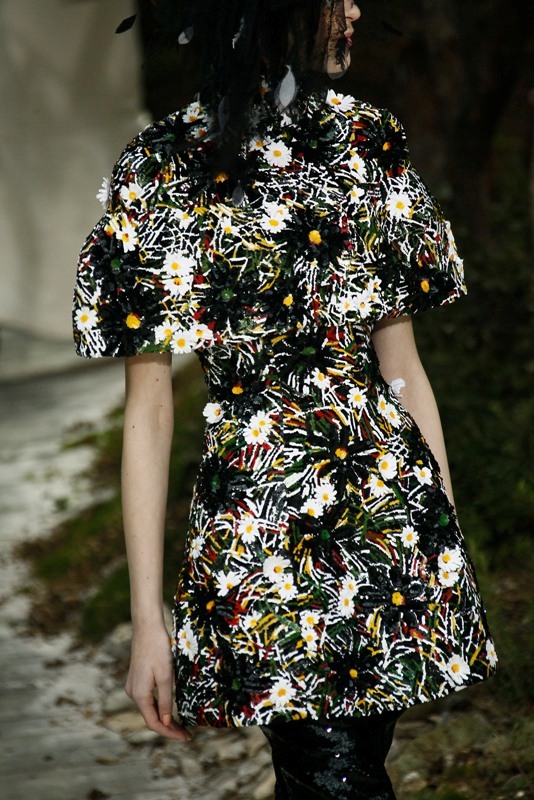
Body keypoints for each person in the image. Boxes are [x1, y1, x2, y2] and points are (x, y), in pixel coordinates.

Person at [73, 1, 498, 796]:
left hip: (391, 533)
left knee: (341, 774)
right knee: (333, 777)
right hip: (261, 545)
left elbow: (402, 367)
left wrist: (447, 549)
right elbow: (149, 412)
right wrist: (147, 622)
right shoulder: (163, 164)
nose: (355, 8)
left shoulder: (367, 140)